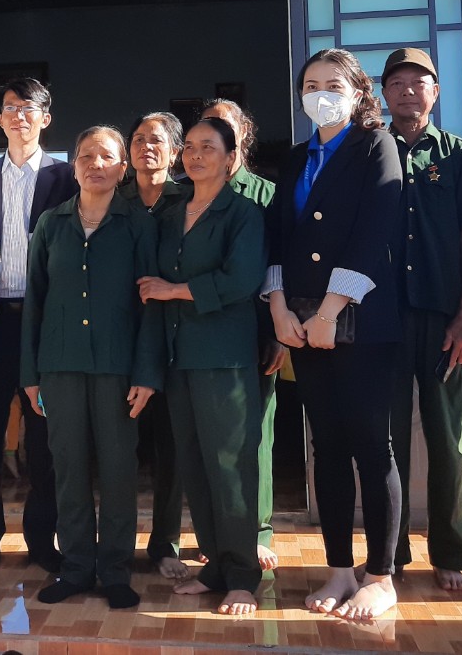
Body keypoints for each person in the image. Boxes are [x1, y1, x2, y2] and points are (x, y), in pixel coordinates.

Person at [266, 48, 403, 620]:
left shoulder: (376, 145)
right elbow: (277, 236)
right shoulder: (296, 157)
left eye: (333, 84)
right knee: (326, 446)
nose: (320, 94)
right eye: (310, 85)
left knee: (372, 446)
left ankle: (381, 576)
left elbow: (376, 231)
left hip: (361, 322)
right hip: (301, 324)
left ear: (357, 92)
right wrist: (278, 307)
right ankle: (340, 569)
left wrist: (329, 311)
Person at [21, 126, 160, 610]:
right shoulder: (51, 223)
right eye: (86, 156)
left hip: (118, 369)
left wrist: (146, 373)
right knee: (68, 469)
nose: (95, 164)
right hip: (59, 367)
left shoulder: (137, 224)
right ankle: (76, 566)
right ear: (74, 165)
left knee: (119, 470)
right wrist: (30, 374)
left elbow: (150, 305)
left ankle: (115, 570)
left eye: (106, 156)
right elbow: (34, 300)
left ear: (123, 168)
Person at [139, 117, 267, 615]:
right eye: (189, 147)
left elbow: (240, 280)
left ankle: (243, 576)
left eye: (208, 147)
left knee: (230, 466)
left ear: (231, 157)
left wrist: (174, 290)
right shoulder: (171, 215)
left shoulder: (244, 212)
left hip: (223, 356)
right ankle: (215, 567)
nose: (195, 155)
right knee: (194, 464)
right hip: (179, 357)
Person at [0, 78, 76, 574]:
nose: (18, 116)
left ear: (45, 118)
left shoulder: (66, 176)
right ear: (0, 119)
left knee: (45, 437)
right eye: (10, 108)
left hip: (44, 322)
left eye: (28, 108)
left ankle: (41, 538)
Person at [379, 48, 462, 592]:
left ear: (435, 92)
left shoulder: (458, 155)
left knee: (447, 440)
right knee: (387, 438)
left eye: (420, 82)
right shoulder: (371, 150)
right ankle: (389, 552)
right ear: (383, 93)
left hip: (443, 318)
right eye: (397, 83)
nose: (408, 91)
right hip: (385, 318)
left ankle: (449, 551)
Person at [200, 98, 281, 573]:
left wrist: (277, 334)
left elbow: (278, 265)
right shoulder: (188, 193)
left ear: (243, 136)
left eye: (226, 127)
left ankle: (257, 531)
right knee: (206, 441)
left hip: (256, 331)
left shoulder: (266, 194)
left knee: (255, 435)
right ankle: (218, 534)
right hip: (201, 333)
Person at [119, 111, 190, 579]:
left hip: (176, 335)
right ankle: (117, 544)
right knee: (119, 445)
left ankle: (165, 543)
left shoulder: (189, 199)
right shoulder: (113, 198)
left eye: (157, 139)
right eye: (139, 139)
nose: (147, 146)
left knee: (171, 446)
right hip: (119, 336)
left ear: (176, 151)